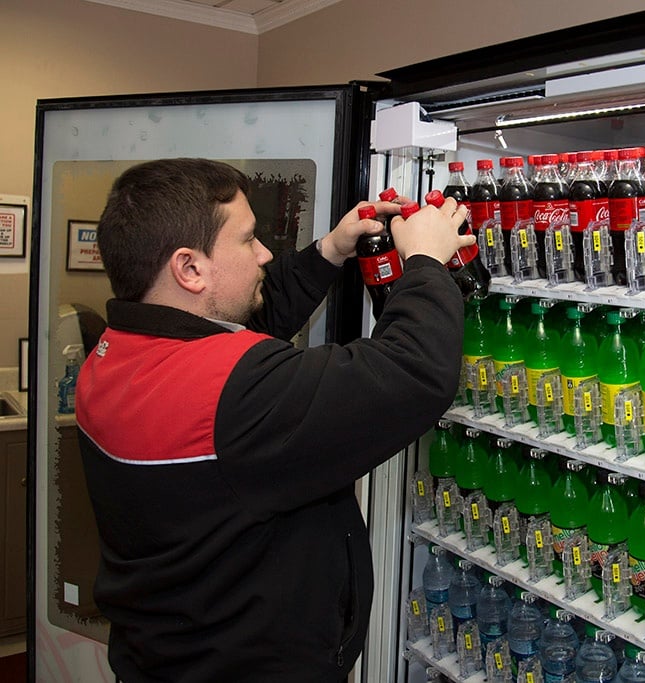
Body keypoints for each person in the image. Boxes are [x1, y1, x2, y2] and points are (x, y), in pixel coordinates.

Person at [75, 158, 475, 682]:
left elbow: (241, 324)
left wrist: (332, 250)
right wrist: (424, 258)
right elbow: (409, 374)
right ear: (188, 268)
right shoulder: (230, 397)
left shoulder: (115, 354)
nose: (265, 252)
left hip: (163, 658)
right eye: (247, 240)